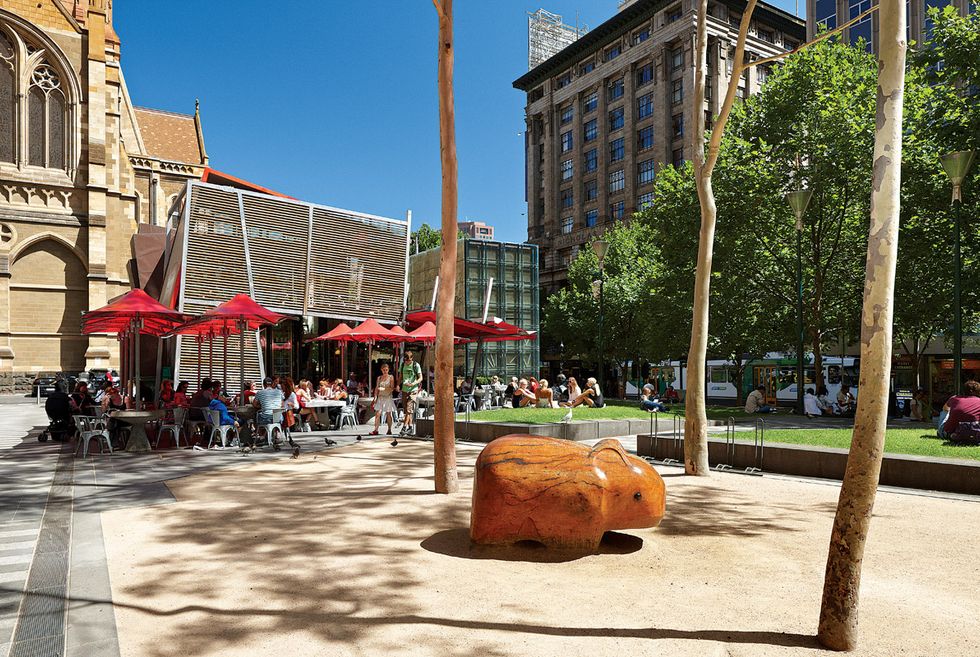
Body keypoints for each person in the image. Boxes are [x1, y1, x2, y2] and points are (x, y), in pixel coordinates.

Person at [252, 377, 285, 448]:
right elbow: (282, 405)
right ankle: (276, 435)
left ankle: (262, 437)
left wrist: (262, 406)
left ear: (264, 385)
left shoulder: (260, 392)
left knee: (257, 416)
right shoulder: (279, 392)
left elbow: (254, 404)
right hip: (277, 417)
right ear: (272, 384)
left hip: (266, 418)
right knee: (277, 416)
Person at [369, 363, 398, 436]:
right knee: (377, 414)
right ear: (381, 370)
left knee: (388, 414)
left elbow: (392, 388)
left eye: (386, 370)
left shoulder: (391, 377)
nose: (385, 371)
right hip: (380, 397)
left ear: (388, 370)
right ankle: (376, 430)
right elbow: (376, 388)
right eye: (384, 370)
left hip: (388, 397)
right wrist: (375, 397)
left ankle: (389, 429)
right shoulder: (379, 378)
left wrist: (384, 389)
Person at [398, 350, 423, 436]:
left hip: (413, 390)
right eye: (406, 360)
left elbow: (420, 378)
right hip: (404, 390)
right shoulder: (402, 365)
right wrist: (398, 385)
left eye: (409, 360)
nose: (407, 362)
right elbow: (400, 376)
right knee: (407, 410)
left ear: (412, 358)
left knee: (409, 409)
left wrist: (413, 383)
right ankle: (411, 428)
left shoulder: (416, 365)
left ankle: (404, 427)